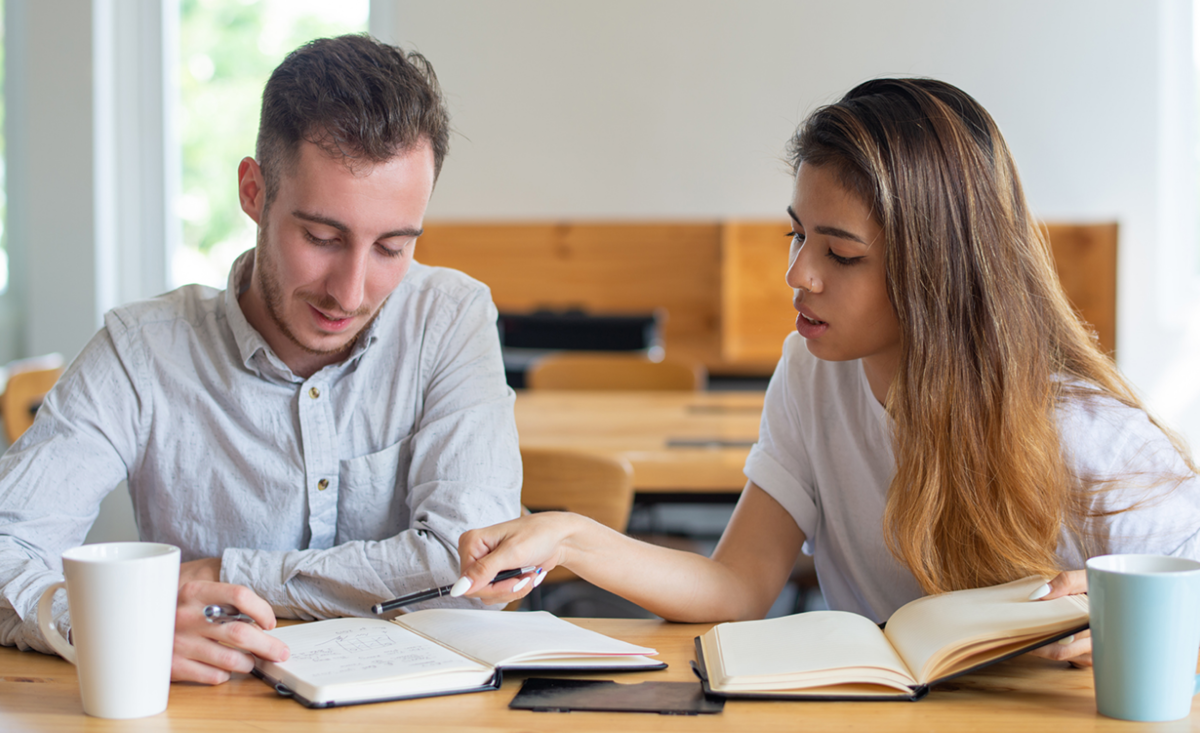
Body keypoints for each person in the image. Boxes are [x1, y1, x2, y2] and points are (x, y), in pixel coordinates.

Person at [453, 78, 1200, 665]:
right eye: (797, 233)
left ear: (936, 270)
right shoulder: (812, 374)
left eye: (840, 253)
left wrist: (1156, 625)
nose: (798, 273)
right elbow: (739, 584)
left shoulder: (1086, 431)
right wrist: (574, 539)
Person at [0, 35, 523, 684]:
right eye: (322, 238)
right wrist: (109, 628)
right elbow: (7, 542)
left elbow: (466, 559)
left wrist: (229, 575)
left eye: (392, 247)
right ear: (254, 191)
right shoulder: (143, 350)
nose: (351, 291)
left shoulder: (450, 317)